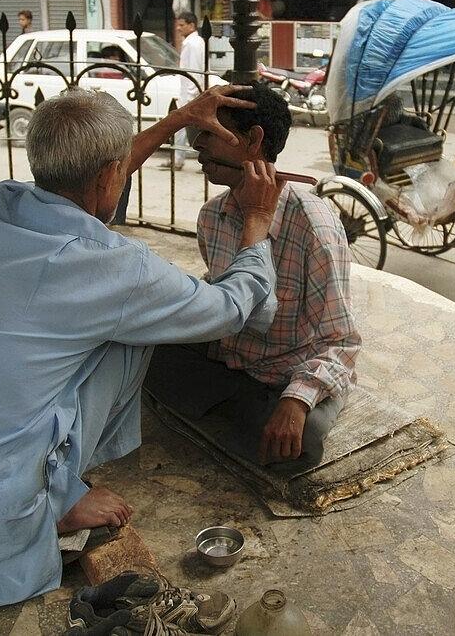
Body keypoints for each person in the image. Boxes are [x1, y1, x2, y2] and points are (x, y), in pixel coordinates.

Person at [0, 85, 282, 629]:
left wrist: (176, 119)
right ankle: (58, 498)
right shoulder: (112, 266)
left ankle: (59, 485)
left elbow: (85, 186)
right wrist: (257, 222)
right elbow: (229, 309)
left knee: (95, 339)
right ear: (112, 175)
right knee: (132, 336)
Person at [145, 84, 361, 469]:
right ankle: (248, 411)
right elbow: (221, 302)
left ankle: (260, 410)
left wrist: (296, 400)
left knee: (304, 440)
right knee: (139, 353)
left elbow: (341, 341)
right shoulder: (213, 216)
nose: (197, 145)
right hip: (233, 357)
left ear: (254, 139)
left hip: (290, 371)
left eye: (210, 133)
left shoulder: (313, 225)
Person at [170, 11, 205, 169]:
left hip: (191, 92)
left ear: (192, 25)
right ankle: (178, 159)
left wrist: (192, 95)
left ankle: (183, 159)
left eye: (182, 25)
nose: (178, 28)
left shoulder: (194, 43)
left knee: (193, 129)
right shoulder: (190, 42)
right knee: (180, 127)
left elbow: (194, 70)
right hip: (186, 91)